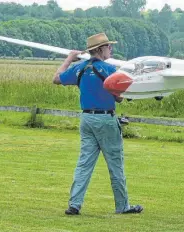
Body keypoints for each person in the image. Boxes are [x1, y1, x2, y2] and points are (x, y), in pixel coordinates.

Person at [52, 32, 143, 215]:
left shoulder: (80, 69)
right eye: (109, 47)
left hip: (86, 119)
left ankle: (74, 204)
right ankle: (122, 205)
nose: (111, 49)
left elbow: (56, 78)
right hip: (105, 120)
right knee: (115, 164)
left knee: (84, 163)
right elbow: (119, 99)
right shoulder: (109, 70)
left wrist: (70, 57)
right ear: (101, 49)